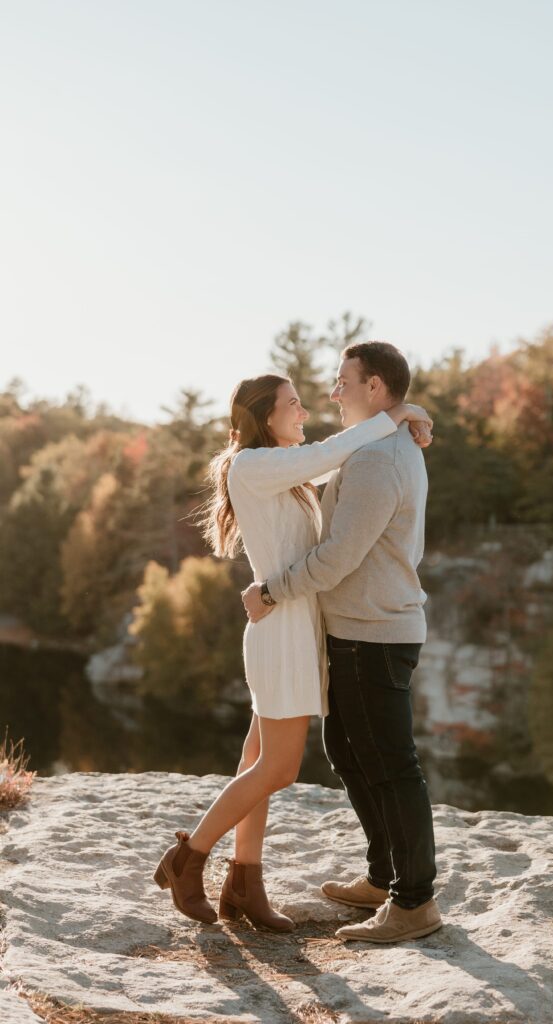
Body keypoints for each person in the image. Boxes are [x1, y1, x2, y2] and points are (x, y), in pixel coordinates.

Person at [152, 370, 432, 929]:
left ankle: (244, 883)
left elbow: (342, 454)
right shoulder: (253, 466)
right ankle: (187, 859)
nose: (305, 413)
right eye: (294, 405)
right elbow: (339, 448)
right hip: (279, 628)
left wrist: (409, 412)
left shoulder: (287, 470)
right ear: (264, 416)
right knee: (278, 768)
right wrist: (396, 415)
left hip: (295, 624)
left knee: (256, 760)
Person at [242, 341, 442, 944]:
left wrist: (272, 591)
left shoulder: (379, 459)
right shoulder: (383, 444)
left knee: (389, 763)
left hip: (373, 634)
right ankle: (384, 877)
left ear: (375, 388)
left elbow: (336, 558)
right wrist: (409, 413)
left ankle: (415, 902)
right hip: (362, 630)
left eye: (342, 381)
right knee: (351, 752)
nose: (332, 393)